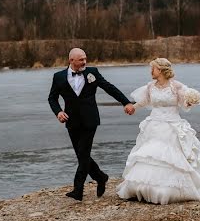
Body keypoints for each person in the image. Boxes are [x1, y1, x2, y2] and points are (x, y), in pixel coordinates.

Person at [117, 58, 200, 204]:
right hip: (154, 125)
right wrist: (132, 107)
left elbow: (183, 104)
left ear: (161, 70)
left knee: (172, 157)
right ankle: (143, 188)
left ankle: (169, 190)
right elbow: (144, 101)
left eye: (153, 69)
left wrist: (189, 101)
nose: (151, 71)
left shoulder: (176, 86)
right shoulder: (150, 87)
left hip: (172, 126)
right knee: (151, 155)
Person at [48, 48, 136, 201]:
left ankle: (78, 189)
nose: (84, 62)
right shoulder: (58, 77)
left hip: (90, 120)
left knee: (83, 153)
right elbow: (52, 98)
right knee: (81, 154)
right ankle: (101, 177)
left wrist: (126, 102)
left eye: (85, 58)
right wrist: (58, 112)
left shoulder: (92, 72)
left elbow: (110, 88)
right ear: (71, 60)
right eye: (81, 59)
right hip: (71, 120)